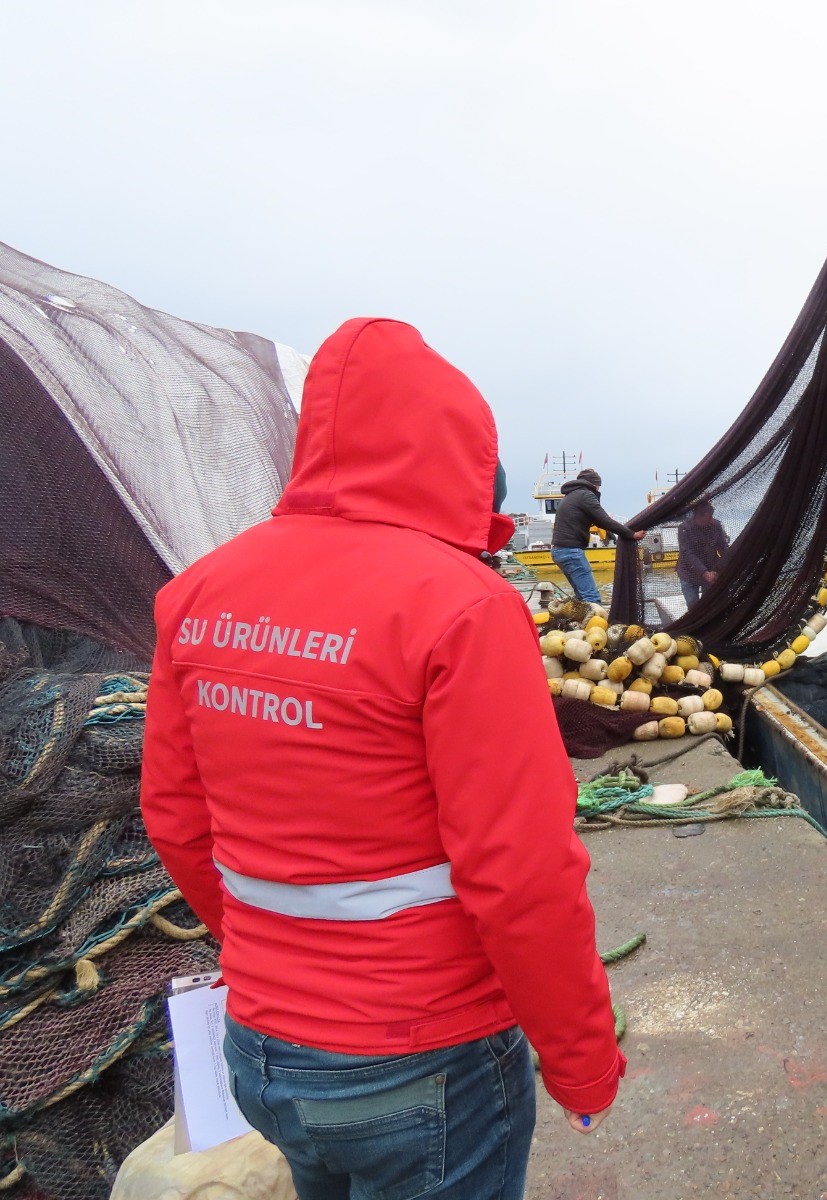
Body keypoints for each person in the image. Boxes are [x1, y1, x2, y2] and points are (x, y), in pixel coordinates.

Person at [141, 318, 625, 1200]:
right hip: (423, 1060)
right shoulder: (462, 606)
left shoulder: (197, 594)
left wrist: (274, 964)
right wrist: (581, 1059)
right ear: (459, 449)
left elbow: (175, 821)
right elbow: (521, 874)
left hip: (260, 1050)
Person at [552, 467, 642, 605]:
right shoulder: (585, 495)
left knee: (581, 597)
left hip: (559, 551)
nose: (599, 490)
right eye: (598, 486)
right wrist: (632, 534)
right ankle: (594, 624)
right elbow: (604, 520)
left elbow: (599, 522)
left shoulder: (571, 495)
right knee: (591, 598)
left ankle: (583, 623)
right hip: (571, 552)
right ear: (594, 484)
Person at [676, 495, 730, 607]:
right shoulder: (684, 528)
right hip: (688, 572)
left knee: (710, 603)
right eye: (709, 517)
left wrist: (717, 570)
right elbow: (688, 553)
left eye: (712, 516)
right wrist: (704, 572)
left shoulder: (716, 525)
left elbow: (723, 547)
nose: (711, 520)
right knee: (693, 604)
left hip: (711, 571)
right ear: (699, 516)